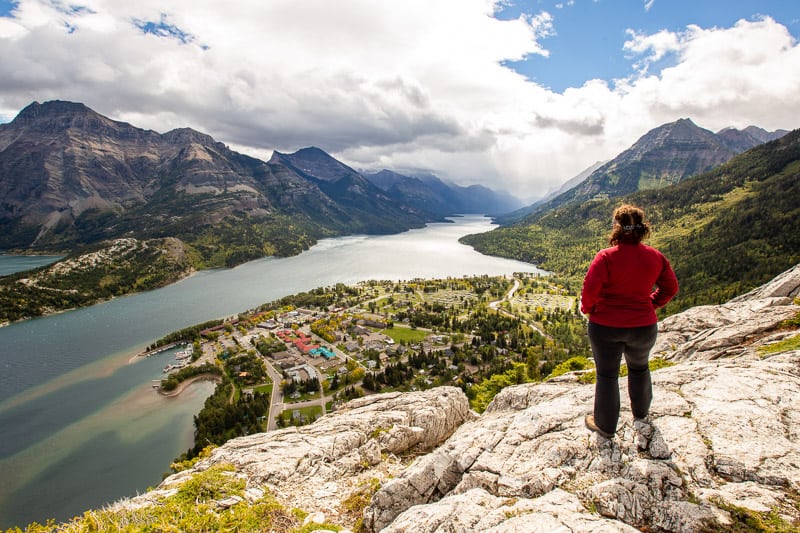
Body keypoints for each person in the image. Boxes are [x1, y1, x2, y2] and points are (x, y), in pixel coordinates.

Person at [581, 204, 678, 439]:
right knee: (640, 367)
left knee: (607, 375)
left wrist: (589, 310)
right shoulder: (655, 257)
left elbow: (590, 291)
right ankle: (641, 414)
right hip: (643, 327)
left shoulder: (606, 257)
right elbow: (670, 288)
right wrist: (650, 304)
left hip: (606, 327)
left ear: (616, 227)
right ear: (642, 228)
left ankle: (604, 425)